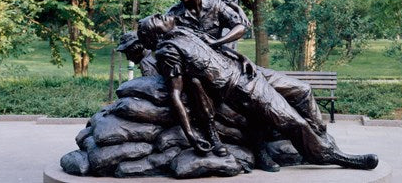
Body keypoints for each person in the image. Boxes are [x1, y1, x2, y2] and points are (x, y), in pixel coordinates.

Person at [137, 14, 379, 170]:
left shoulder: (184, 31)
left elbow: (216, 50)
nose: (162, 15)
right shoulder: (168, 52)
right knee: (294, 123)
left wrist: (241, 56)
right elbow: (176, 95)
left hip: (251, 71)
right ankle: (335, 157)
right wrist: (191, 135)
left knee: (303, 90)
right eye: (156, 19)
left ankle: (317, 141)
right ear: (156, 33)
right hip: (243, 89)